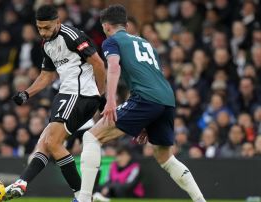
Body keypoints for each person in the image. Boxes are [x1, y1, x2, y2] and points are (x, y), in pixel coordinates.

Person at [77, 5, 206, 202]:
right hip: (166, 99)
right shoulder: (145, 43)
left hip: (146, 98)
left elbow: (113, 68)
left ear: (105, 26)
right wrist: (148, 118)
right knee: (165, 157)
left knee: (91, 137)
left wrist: (111, 100)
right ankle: (200, 200)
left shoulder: (111, 41)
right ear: (126, 25)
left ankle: (83, 198)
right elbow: (151, 76)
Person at [5, 4, 106, 201]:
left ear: (58, 22)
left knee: (52, 142)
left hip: (79, 95)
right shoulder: (47, 44)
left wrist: (100, 95)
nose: (43, 32)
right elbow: (46, 76)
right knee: (45, 142)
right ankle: (22, 183)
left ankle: (83, 196)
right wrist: (27, 93)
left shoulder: (72, 36)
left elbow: (98, 63)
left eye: (47, 28)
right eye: (39, 28)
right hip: (68, 95)